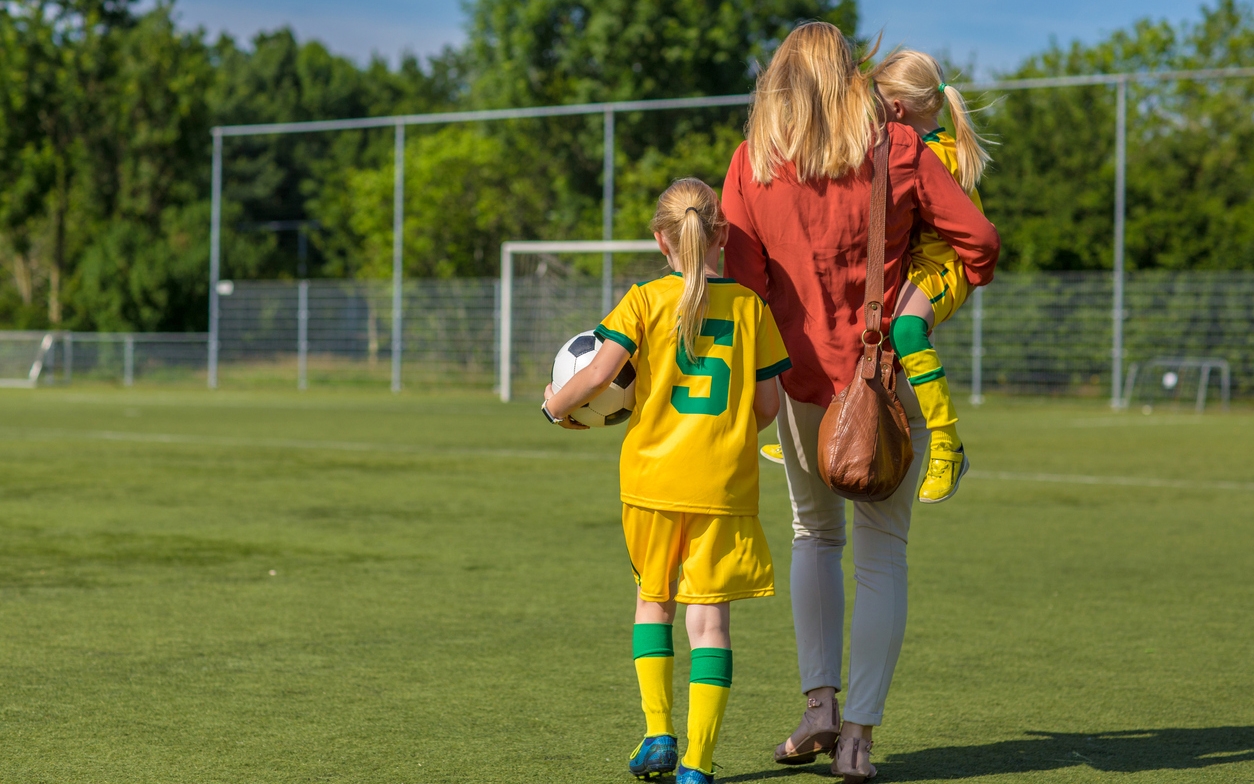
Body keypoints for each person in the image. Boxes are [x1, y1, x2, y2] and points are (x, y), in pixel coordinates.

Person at [721, 23, 1000, 783]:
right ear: (851, 77)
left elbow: (743, 292)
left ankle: (819, 708)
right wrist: (920, 303)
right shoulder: (898, 149)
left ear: (776, 82)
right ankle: (860, 738)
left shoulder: (751, 164)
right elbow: (978, 242)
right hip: (886, 387)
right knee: (884, 557)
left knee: (814, 535)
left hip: (798, 386)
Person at [542, 178, 792, 784]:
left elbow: (600, 375)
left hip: (651, 482)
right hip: (724, 486)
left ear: (662, 239)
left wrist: (554, 407)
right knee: (710, 623)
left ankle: (658, 732)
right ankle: (697, 766)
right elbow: (767, 406)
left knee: (652, 604)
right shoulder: (751, 308)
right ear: (722, 236)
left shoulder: (643, 299)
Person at [761, 49, 993, 505]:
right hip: (918, 264)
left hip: (939, 267)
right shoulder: (912, 146)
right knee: (864, 323)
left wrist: (972, 274)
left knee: (904, 329)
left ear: (898, 109)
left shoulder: (928, 154)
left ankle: (949, 443)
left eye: (878, 100)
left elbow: (976, 236)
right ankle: (835, 427)